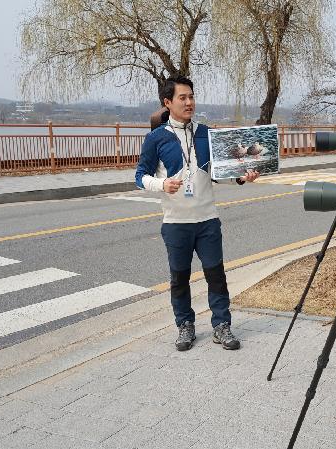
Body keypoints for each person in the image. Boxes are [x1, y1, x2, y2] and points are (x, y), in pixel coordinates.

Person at [135, 76, 259, 351]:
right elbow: (140, 176)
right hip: (176, 222)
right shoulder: (156, 138)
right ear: (168, 102)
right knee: (179, 278)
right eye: (182, 97)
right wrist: (161, 184)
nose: (189, 102)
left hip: (207, 220)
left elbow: (219, 173)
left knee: (216, 275)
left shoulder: (206, 133)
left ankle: (221, 325)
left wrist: (241, 177)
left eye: (191, 96)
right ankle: (185, 326)